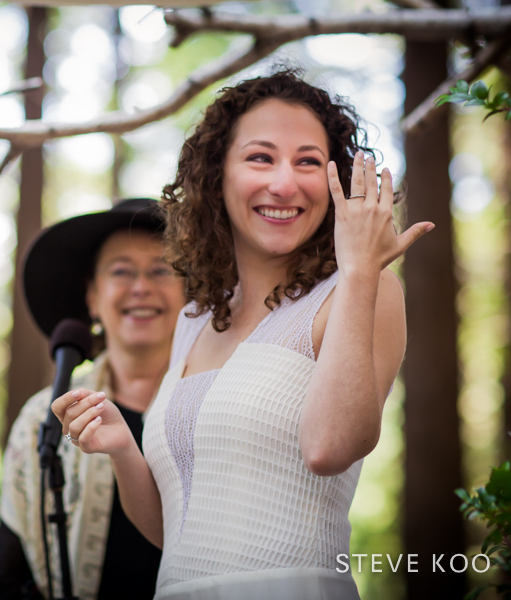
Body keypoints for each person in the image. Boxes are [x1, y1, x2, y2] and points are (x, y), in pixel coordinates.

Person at [52, 71, 434, 599]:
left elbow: (329, 448)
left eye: (306, 161)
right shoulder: (194, 319)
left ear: (334, 181)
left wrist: (361, 270)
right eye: (261, 158)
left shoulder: (360, 288)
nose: (285, 183)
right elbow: (175, 533)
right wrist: (122, 448)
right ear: (217, 176)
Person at [0, 198, 187, 599]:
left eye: (161, 269)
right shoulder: (43, 419)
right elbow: (12, 571)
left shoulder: (210, 406)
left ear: (189, 290)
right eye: (121, 271)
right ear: (93, 297)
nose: (141, 287)